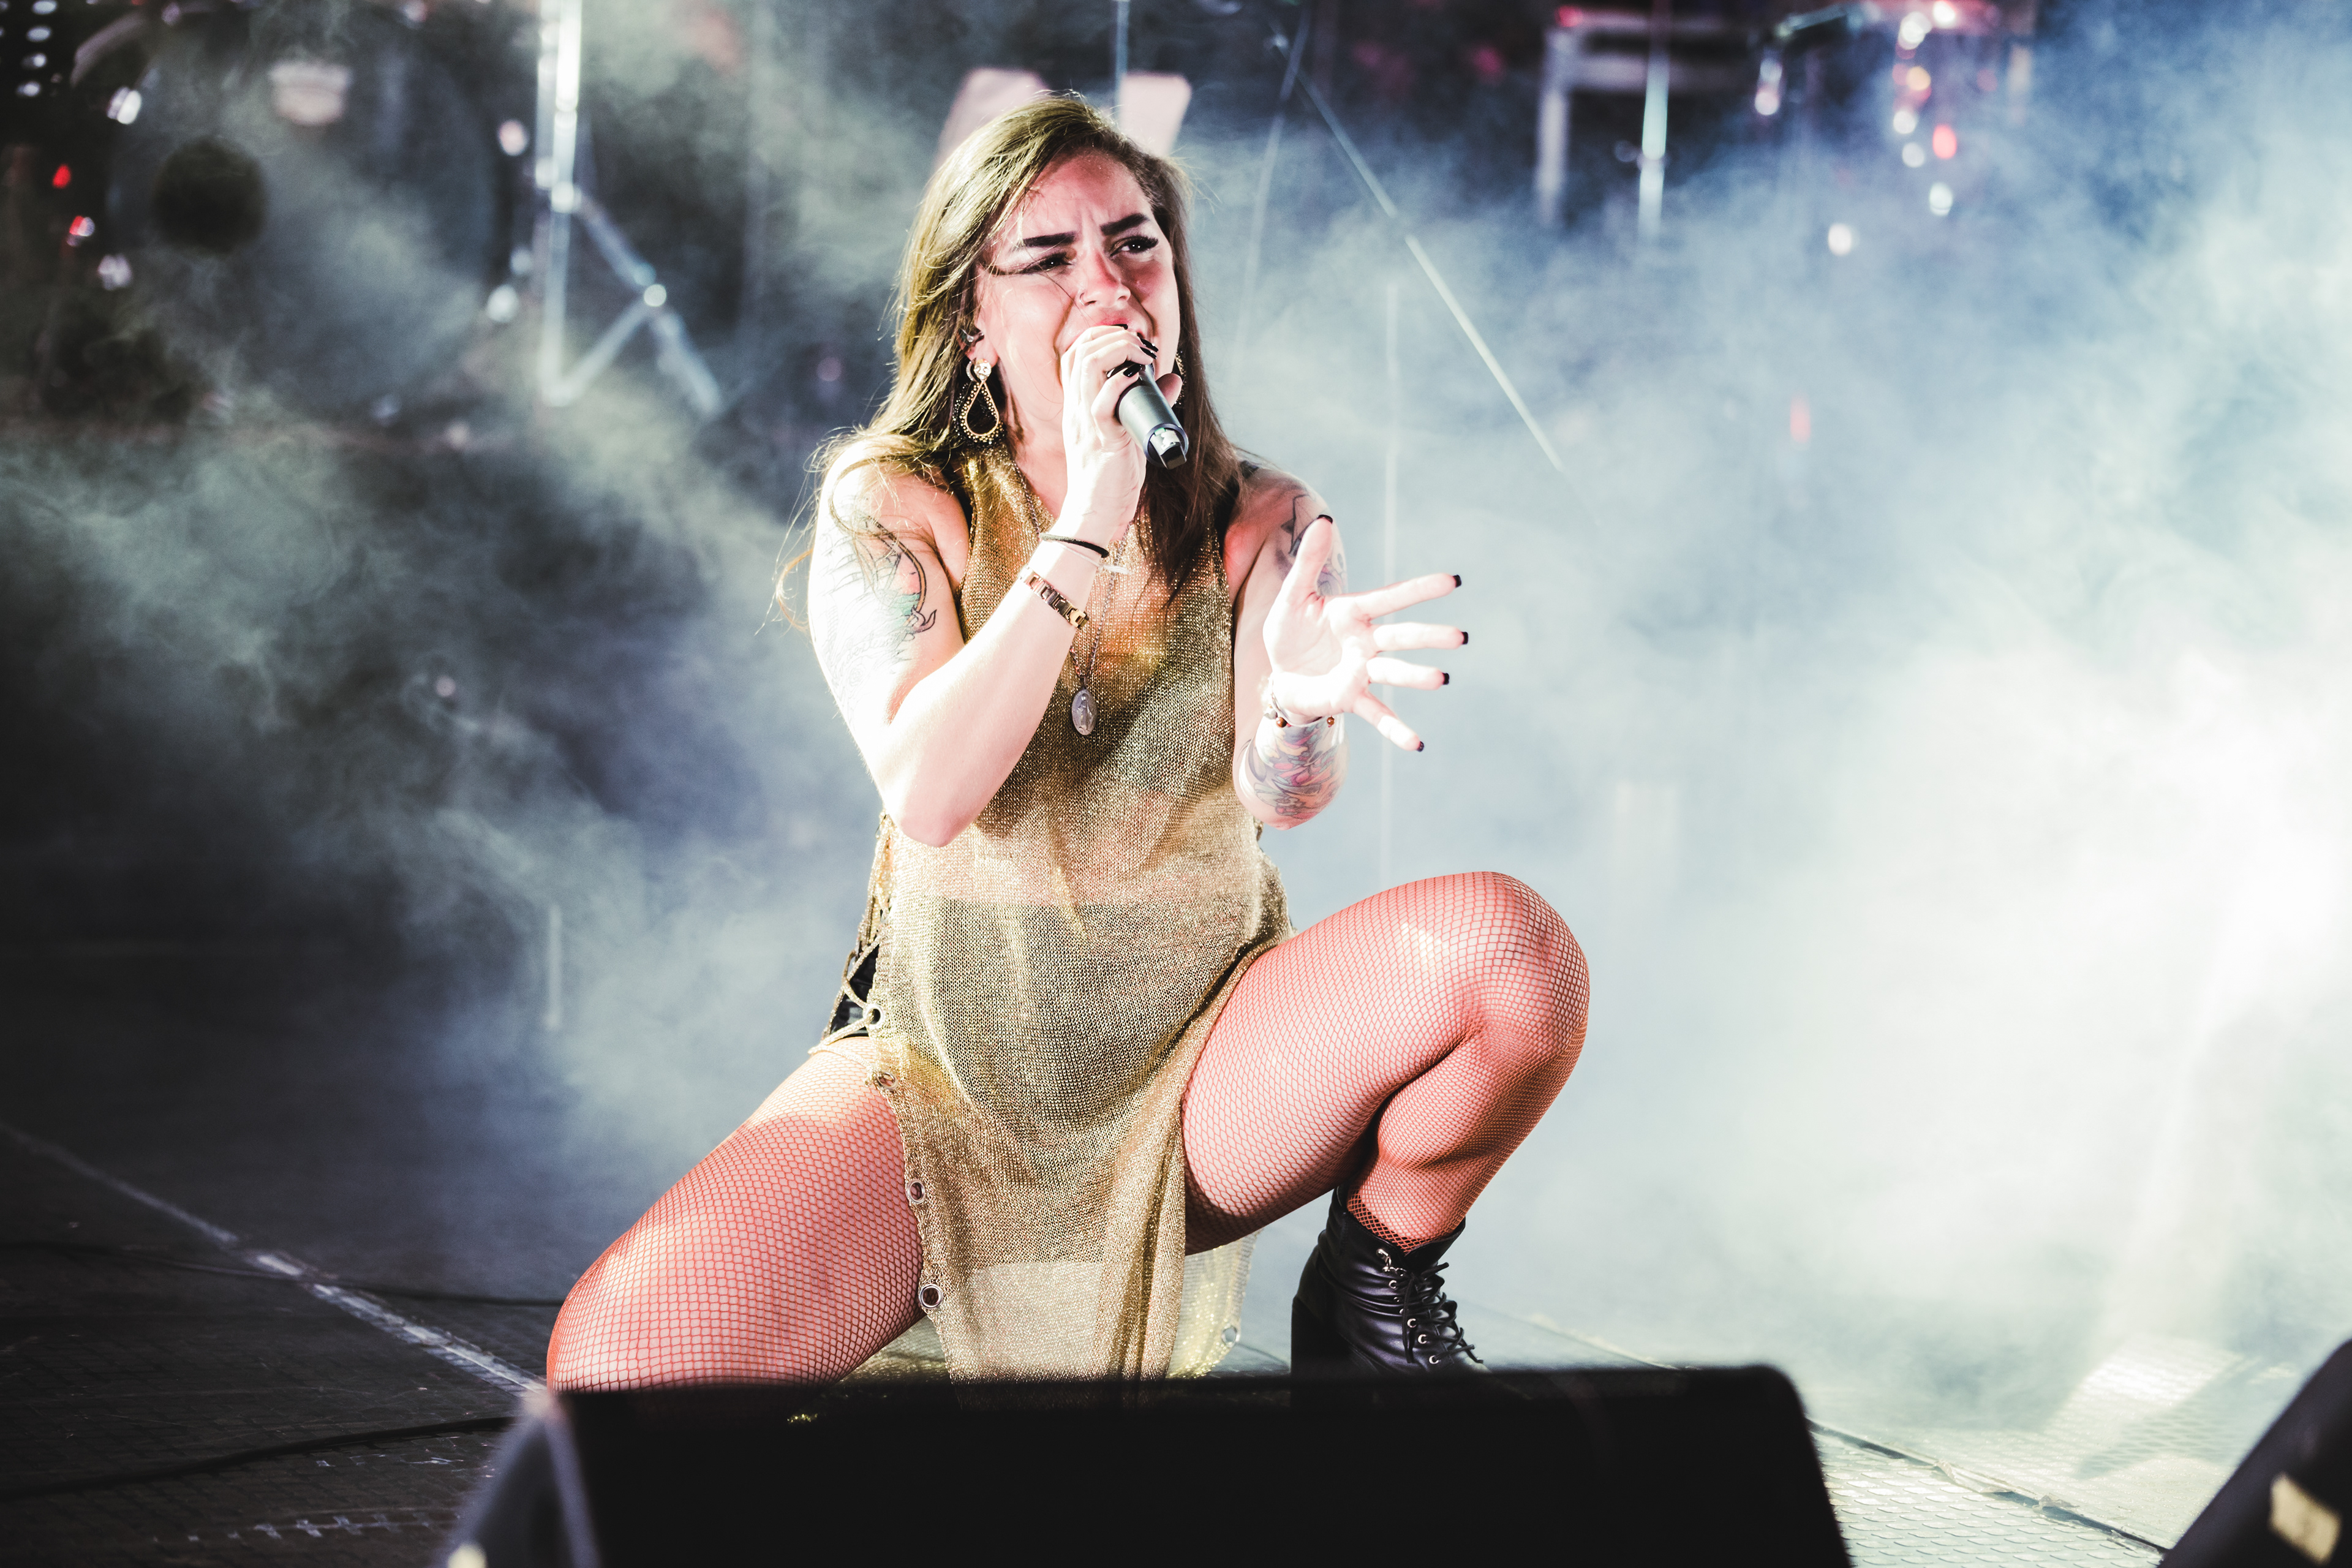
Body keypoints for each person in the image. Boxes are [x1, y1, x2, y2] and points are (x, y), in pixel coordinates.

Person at [546, 96, 1589, 1389]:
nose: (1108, 284)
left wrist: (1299, 710)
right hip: (947, 1079)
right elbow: (932, 790)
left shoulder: (1259, 512)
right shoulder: (893, 502)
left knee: (1511, 954)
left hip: (1199, 1067)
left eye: (1136, 243)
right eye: (1048, 258)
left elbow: (1285, 794)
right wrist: (1091, 510)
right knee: (620, 1367)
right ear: (971, 322)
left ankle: (1375, 1280)